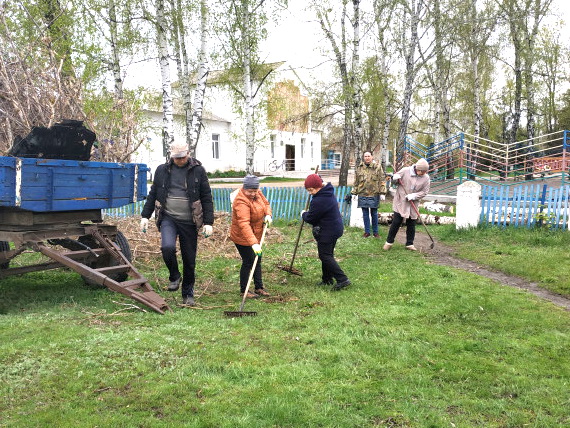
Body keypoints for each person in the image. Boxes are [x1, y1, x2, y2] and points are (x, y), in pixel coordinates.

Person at [140, 142, 214, 306]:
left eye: (182, 157)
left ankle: (188, 294)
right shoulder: (162, 170)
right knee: (167, 247)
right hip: (168, 218)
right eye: (176, 158)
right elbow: (153, 193)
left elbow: (206, 197)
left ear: (188, 153)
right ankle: (174, 276)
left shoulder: (198, 171)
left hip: (189, 221)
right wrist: (145, 215)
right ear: (171, 156)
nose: (180, 160)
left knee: (189, 260)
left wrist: (209, 222)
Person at [302, 174, 351, 291]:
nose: (310, 193)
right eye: (308, 190)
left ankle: (342, 279)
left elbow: (311, 218)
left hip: (328, 230)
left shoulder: (320, 199)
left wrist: (303, 214)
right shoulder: (327, 192)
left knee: (324, 255)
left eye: (311, 190)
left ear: (319, 186)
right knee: (327, 255)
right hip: (334, 228)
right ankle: (327, 279)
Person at [230, 175, 273, 298]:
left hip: (256, 233)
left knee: (257, 259)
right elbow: (244, 224)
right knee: (248, 261)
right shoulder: (241, 201)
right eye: (250, 191)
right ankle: (244, 290)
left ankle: (259, 287)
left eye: (255, 190)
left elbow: (266, 204)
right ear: (244, 188)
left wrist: (268, 215)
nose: (253, 193)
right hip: (242, 236)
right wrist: (253, 243)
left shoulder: (257, 193)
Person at [383, 158, 430, 251]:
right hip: (401, 201)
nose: (424, 173)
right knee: (396, 222)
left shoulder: (426, 178)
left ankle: (409, 244)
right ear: (417, 169)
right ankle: (389, 242)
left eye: (425, 171)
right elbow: (395, 182)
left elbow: (425, 192)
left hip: (413, 202)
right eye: (422, 171)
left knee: (411, 223)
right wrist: (394, 179)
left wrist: (414, 195)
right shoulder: (405, 171)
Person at [347, 151, 387, 238]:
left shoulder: (377, 167)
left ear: (372, 157)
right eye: (365, 156)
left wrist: (382, 192)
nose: (367, 158)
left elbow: (382, 180)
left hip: (374, 194)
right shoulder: (359, 168)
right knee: (365, 214)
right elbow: (356, 181)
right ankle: (367, 232)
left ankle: (375, 232)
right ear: (363, 157)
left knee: (374, 214)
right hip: (362, 194)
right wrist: (354, 193)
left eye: (369, 156)